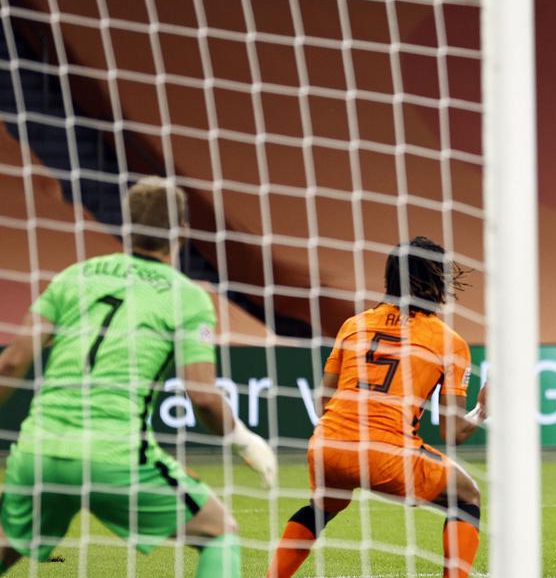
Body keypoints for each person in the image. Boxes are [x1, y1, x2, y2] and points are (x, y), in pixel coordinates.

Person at [0, 176, 276, 577]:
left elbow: (11, 363)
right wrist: (244, 440)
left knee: (8, 545)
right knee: (219, 533)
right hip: (115, 455)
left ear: (127, 225)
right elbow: (201, 394)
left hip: (39, 450)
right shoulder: (186, 297)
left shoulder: (76, 276)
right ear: (181, 230)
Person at [267, 236, 487, 578]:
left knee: (324, 506)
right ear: (434, 281)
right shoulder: (449, 342)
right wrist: (482, 413)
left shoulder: (353, 325)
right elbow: (452, 433)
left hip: (329, 445)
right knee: (467, 495)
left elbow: (324, 399)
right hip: (387, 454)